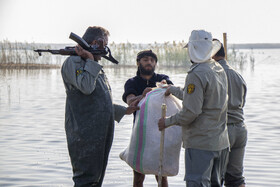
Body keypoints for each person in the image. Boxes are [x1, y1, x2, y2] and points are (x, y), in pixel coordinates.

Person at [61, 26, 139, 187]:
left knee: (96, 180)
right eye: (105, 44)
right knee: (86, 180)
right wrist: (90, 60)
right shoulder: (74, 62)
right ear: (97, 42)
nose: (106, 48)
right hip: (84, 135)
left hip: (100, 134)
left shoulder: (92, 64)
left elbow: (99, 101)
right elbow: (87, 87)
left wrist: (124, 110)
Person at [158, 30, 230, 187]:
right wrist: (172, 89)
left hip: (201, 143)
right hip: (221, 142)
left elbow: (191, 112)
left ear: (193, 49)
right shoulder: (218, 69)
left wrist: (167, 121)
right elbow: (201, 99)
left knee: (197, 183)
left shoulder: (196, 74)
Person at [122, 50, 173, 187]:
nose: (149, 62)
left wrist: (165, 87)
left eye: (152, 60)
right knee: (138, 176)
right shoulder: (132, 82)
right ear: (139, 63)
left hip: (160, 131)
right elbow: (130, 101)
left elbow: (174, 95)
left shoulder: (163, 78)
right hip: (140, 132)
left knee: (161, 176)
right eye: (145, 59)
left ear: (155, 63)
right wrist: (142, 96)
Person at [212, 39, 247, 187]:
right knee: (236, 178)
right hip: (240, 129)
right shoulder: (238, 75)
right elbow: (242, 103)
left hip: (223, 130)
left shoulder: (213, 74)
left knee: (215, 178)